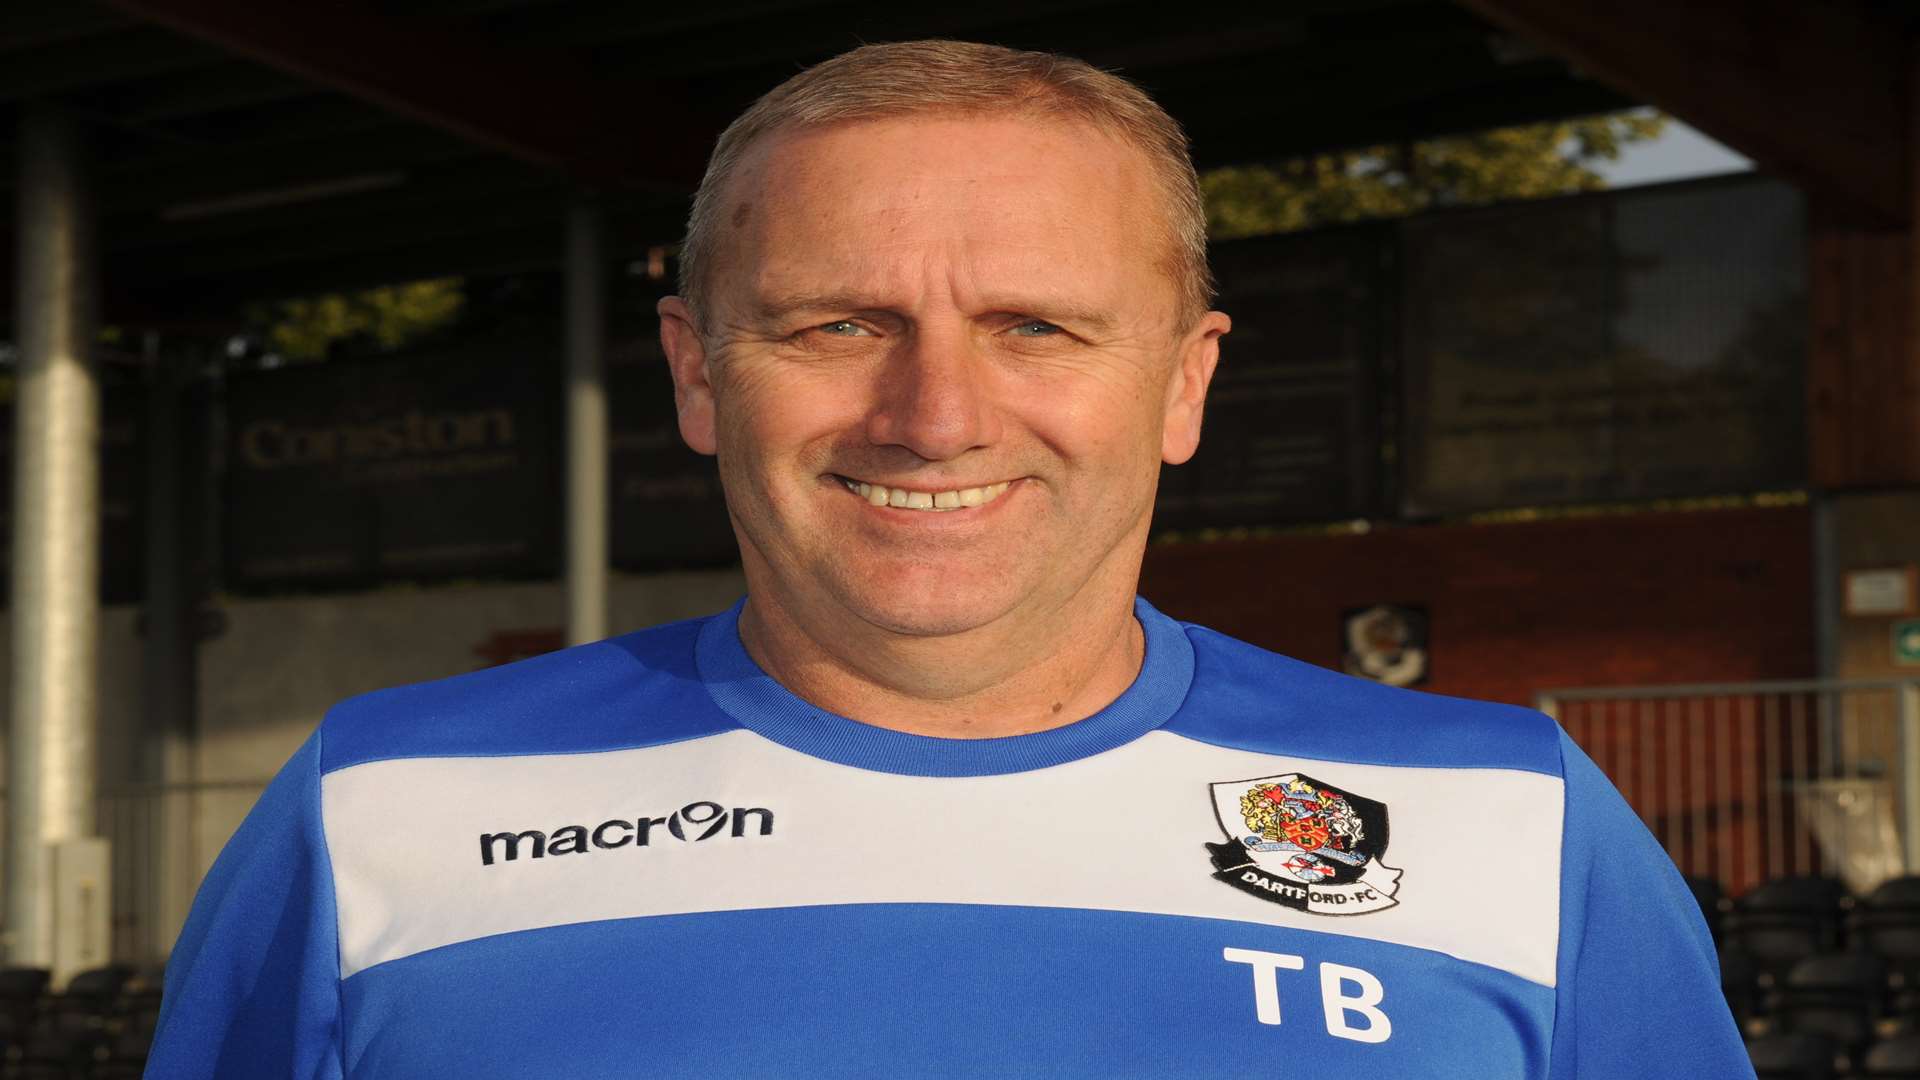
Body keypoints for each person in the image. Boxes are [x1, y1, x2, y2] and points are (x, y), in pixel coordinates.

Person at [147, 39, 1753, 1079]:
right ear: (700, 375)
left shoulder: (1514, 824)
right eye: (838, 323)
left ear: (1185, 382)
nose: (933, 416)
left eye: (1035, 327)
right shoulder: (378, 810)